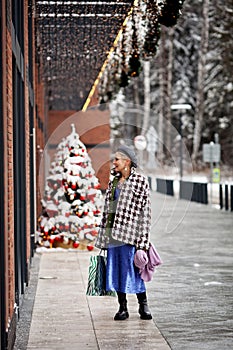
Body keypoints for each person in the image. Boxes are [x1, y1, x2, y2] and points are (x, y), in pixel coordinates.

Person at [95, 144, 152, 321]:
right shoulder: (113, 182)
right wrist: (103, 238)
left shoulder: (140, 181)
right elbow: (107, 211)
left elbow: (145, 213)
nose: (114, 162)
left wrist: (142, 242)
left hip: (130, 237)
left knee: (133, 270)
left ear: (127, 161)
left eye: (117, 159)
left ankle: (143, 305)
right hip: (113, 236)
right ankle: (122, 307)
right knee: (117, 270)